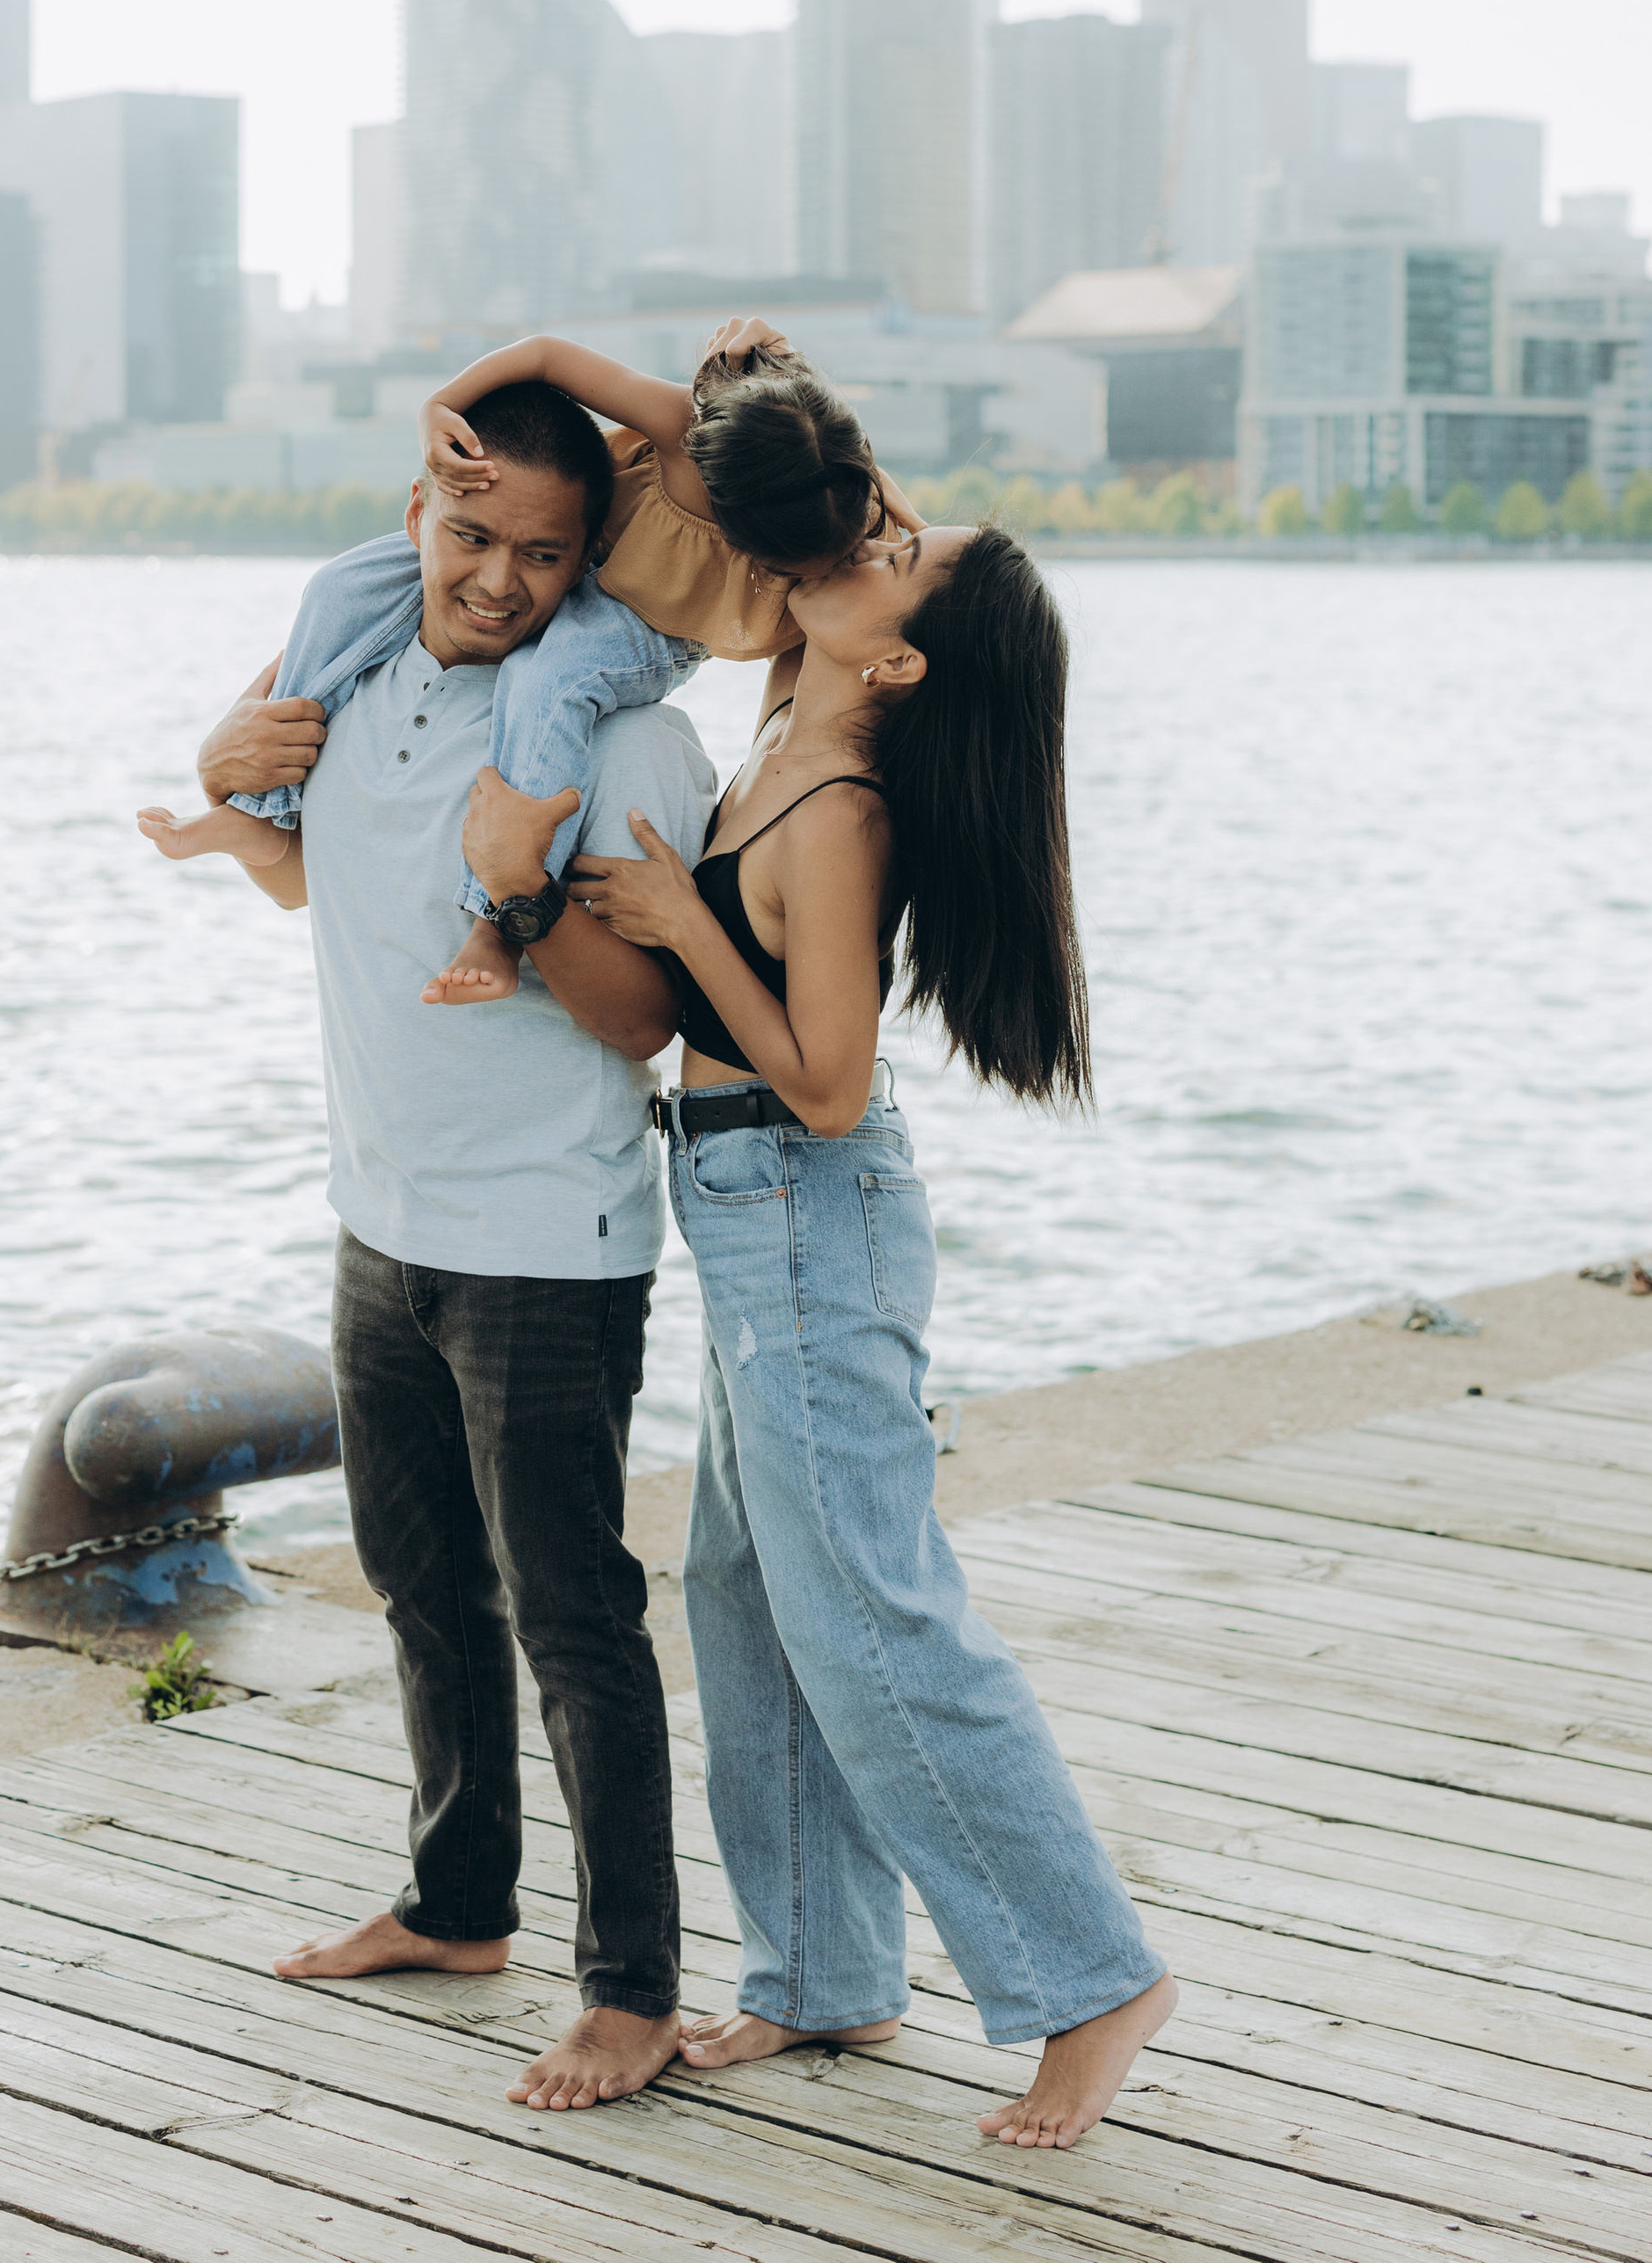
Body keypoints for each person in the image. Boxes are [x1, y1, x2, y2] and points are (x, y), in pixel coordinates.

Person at [571, 515, 1179, 2152]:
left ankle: (1090, 1978)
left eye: (903, 547)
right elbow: (802, 499)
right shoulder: (798, 696)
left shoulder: (839, 805)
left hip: (802, 1208)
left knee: (872, 1613)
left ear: (899, 651)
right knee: (746, 1588)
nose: (874, 531)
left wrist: (683, 927)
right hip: (742, 1211)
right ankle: (823, 1969)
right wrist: (731, 374)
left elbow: (827, 1086)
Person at [150, 378, 717, 2110]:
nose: (497, 580)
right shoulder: (361, 673)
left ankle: (630, 1989)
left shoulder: (616, 745)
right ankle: (459, 1905)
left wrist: (524, 898)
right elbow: (307, 884)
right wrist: (218, 775)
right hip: (377, 1223)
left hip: (545, 1245)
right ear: (417, 508)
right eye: (472, 535)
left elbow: (645, 1026)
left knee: (572, 1614)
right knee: (419, 1587)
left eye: (543, 555)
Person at [138, 319, 891, 1002]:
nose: (496, 581)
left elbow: (919, 577)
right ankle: (262, 811)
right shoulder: (681, 426)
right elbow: (547, 355)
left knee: (548, 677)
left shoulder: (845, 508)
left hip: (652, 627)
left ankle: (493, 923)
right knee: (339, 586)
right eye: (468, 539)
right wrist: (440, 405)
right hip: (595, 567)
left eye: (779, 561)